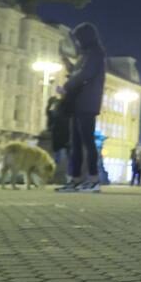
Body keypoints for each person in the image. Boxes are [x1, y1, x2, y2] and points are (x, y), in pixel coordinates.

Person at [58, 23, 107, 193]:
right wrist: (67, 63)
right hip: (78, 102)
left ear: (86, 37)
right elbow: (79, 73)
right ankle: (75, 179)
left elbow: (86, 74)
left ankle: (93, 179)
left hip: (87, 102)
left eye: (78, 39)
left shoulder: (95, 54)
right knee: (76, 143)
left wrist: (67, 86)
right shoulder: (86, 55)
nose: (77, 42)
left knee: (87, 142)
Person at [45, 88, 72, 184]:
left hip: (63, 137)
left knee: (62, 158)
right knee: (58, 158)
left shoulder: (62, 113)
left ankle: (66, 177)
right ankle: (54, 176)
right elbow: (48, 113)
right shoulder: (55, 114)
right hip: (60, 137)